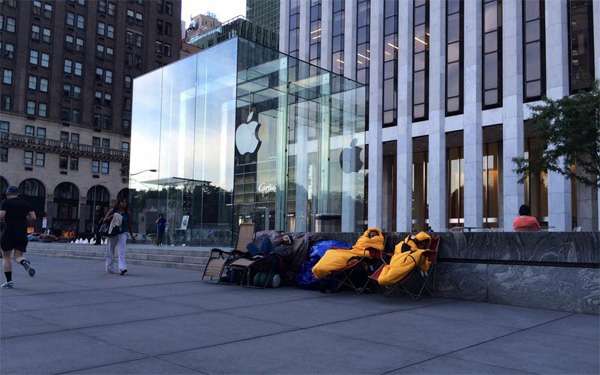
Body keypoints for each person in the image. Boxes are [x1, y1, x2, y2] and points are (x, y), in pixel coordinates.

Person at [0, 186, 36, 289]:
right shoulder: (26, 203)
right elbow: (33, 217)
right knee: (18, 257)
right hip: (22, 233)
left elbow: (1, 215)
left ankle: (9, 281)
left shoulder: (6, 202)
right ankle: (24, 262)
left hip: (8, 231)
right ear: (18, 194)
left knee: (6, 257)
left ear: (8, 194)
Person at [103, 198, 135, 275]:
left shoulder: (127, 213)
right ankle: (109, 268)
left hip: (122, 233)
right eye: (122, 202)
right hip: (113, 233)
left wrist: (131, 235)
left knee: (121, 251)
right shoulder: (113, 211)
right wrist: (110, 217)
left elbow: (129, 224)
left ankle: (122, 268)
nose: (124, 203)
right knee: (111, 252)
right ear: (118, 203)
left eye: (125, 202)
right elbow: (104, 220)